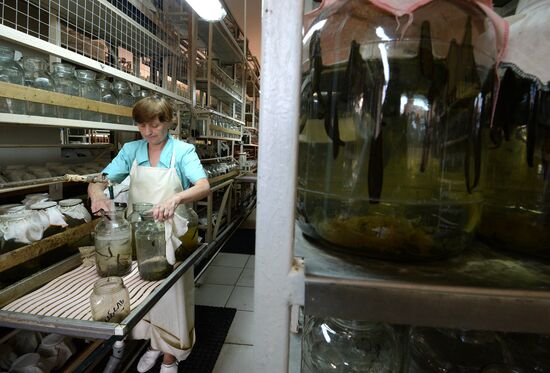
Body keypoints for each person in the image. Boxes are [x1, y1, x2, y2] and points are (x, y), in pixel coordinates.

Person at [88, 95, 210, 373]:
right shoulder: (132, 149)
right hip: (139, 234)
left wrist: (175, 200)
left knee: (172, 295)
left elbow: (203, 186)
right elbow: (100, 180)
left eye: (154, 125)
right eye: (142, 126)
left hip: (174, 235)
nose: (148, 132)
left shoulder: (183, 151)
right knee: (144, 291)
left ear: (167, 122)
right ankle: (155, 345)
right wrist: (97, 195)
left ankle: (171, 356)